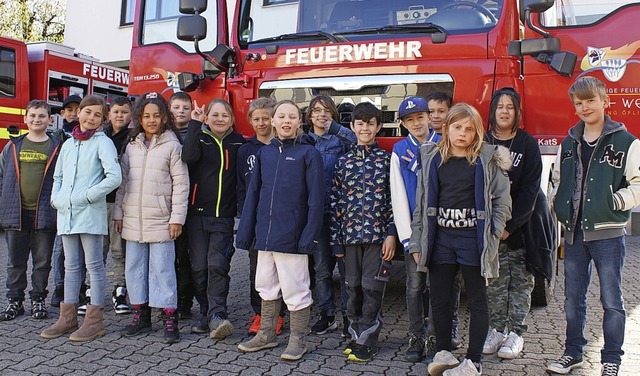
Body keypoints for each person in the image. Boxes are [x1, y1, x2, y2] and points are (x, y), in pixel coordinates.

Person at [547, 77, 640, 376]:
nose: (585, 107)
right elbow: (559, 181)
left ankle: (611, 358)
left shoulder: (627, 142)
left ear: (605, 101)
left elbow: (638, 183)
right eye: (579, 102)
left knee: (612, 300)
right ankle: (573, 352)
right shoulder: (568, 142)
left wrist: (615, 201)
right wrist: (558, 205)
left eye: (590, 100)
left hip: (609, 236)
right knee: (573, 300)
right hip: (574, 235)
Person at [410, 103, 512, 376]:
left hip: (473, 240)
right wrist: (418, 242)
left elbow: (503, 200)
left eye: (469, 129)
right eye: (457, 127)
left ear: (477, 132)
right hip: (441, 239)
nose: (462, 134)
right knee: (440, 298)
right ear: (446, 128)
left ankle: (474, 360)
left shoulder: (486, 160)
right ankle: (443, 351)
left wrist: (493, 233)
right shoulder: (432, 157)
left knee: (478, 299)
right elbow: (421, 203)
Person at [236, 100, 324, 361]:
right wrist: (247, 232)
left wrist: (309, 235)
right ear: (273, 121)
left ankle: (298, 339)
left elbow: (316, 199)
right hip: (265, 235)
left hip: (293, 236)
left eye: (292, 117)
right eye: (281, 116)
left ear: (300, 122)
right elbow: (253, 195)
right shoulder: (266, 153)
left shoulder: (309, 154)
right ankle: (266, 334)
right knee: (265, 285)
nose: (286, 121)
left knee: (296, 288)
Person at [41, 95, 122, 342]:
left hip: (89, 213)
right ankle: (68, 318)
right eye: (88, 112)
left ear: (102, 119)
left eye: (97, 115)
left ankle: (94, 321)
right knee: (70, 266)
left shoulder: (103, 142)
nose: (91, 118)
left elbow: (114, 177)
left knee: (94, 266)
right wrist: (57, 199)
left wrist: (87, 196)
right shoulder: (68, 144)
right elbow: (58, 178)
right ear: (80, 113)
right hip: (66, 214)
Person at [113, 92, 189, 344]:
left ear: (165, 118)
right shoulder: (132, 146)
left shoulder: (172, 146)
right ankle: (140, 315)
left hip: (161, 220)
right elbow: (123, 183)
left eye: (157, 115)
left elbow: (181, 184)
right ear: (140, 118)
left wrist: (176, 218)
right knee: (134, 269)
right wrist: (118, 213)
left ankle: (169, 316)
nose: (152, 120)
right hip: (133, 219)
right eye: (147, 116)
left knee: (163, 269)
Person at [330, 102, 396, 362]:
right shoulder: (343, 162)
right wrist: (336, 241)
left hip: (377, 239)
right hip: (349, 240)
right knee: (352, 289)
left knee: (372, 289)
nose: (365, 128)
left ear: (378, 126)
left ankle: (368, 340)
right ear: (352, 126)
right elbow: (335, 203)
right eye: (360, 123)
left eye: (370, 123)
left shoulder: (386, 161)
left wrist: (391, 233)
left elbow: (393, 201)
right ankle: (354, 334)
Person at [482, 88, 542, 359]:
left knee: (520, 281)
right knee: (494, 280)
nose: (504, 111)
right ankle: (496, 330)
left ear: (517, 112)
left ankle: (516, 333)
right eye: (500, 106)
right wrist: (493, 226)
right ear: (492, 111)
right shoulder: (482, 142)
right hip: (489, 228)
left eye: (510, 107)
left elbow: (531, 189)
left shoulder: (527, 144)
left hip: (520, 227)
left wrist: (511, 225)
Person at [182, 98, 245, 339]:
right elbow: (187, 157)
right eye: (214, 115)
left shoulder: (238, 142)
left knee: (218, 265)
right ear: (206, 117)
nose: (220, 119)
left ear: (231, 120)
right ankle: (205, 312)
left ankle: (218, 314)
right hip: (196, 216)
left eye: (225, 115)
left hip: (223, 217)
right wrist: (194, 125)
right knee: (199, 267)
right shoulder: (199, 137)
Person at [0, 100, 61, 322]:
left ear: (49, 120)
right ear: (25, 119)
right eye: (33, 116)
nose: (37, 120)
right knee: (15, 262)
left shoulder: (56, 146)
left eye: (42, 116)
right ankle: (15, 302)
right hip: (16, 214)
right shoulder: (13, 146)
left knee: (42, 261)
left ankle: (38, 300)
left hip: (44, 214)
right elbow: (1, 175)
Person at [306, 94, 356, 337]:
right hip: (315, 215)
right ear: (309, 115)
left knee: (347, 271)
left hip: (340, 213)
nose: (321, 114)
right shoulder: (303, 140)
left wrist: (336, 128)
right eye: (316, 110)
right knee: (322, 269)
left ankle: (349, 316)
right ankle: (327, 315)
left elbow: (359, 142)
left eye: (327, 110)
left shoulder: (340, 139)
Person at [236, 98, 287, 336]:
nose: (261, 123)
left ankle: (279, 315)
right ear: (250, 121)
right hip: (255, 221)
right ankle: (260, 312)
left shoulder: (285, 147)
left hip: (281, 219)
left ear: (274, 119)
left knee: (282, 270)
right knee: (258, 269)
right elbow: (240, 186)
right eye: (256, 119)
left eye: (266, 118)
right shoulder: (246, 150)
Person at [51, 94, 88, 309]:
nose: (74, 112)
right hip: (63, 202)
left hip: (82, 201)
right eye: (69, 109)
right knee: (60, 249)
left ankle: (79, 287)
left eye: (78, 108)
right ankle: (59, 288)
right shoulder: (56, 138)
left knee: (80, 251)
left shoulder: (92, 137)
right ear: (62, 113)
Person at [103, 96, 132, 315]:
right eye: (116, 112)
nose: (120, 115)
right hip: (97, 202)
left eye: (124, 112)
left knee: (118, 250)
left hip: (119, 203)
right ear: (108, 114)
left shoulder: (133, 139)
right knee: (97, 250)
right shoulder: (100, 136)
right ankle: (90, 292)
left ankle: (119, 291)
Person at [169, 91, 194, 319]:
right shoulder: (165, 134)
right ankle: (170, 300)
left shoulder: (197, 133)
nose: (181, 112)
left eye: (185, 108)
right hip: (167, 205)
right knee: (170, 257)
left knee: (185, 257)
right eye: (176, 107)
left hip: (191, 204)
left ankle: (186, 300)